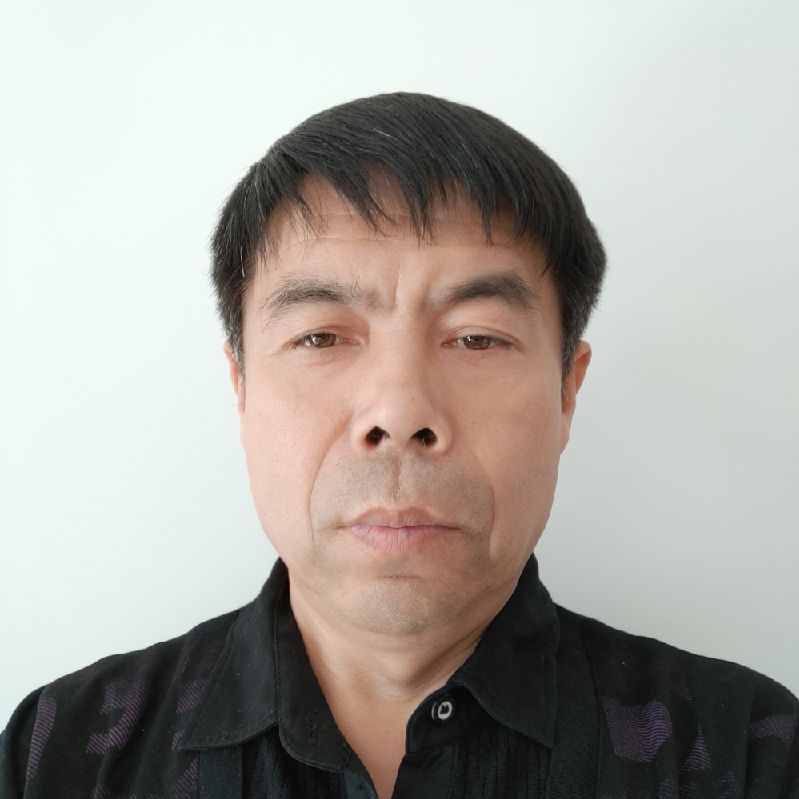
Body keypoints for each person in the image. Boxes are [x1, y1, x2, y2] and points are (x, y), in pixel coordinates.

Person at [1, 92, 796, 799]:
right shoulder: (63, 754)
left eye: (476, 338)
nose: (398, 411)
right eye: (321, 336)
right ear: (240, 385)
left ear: (567, 389)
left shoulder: (743, 755)